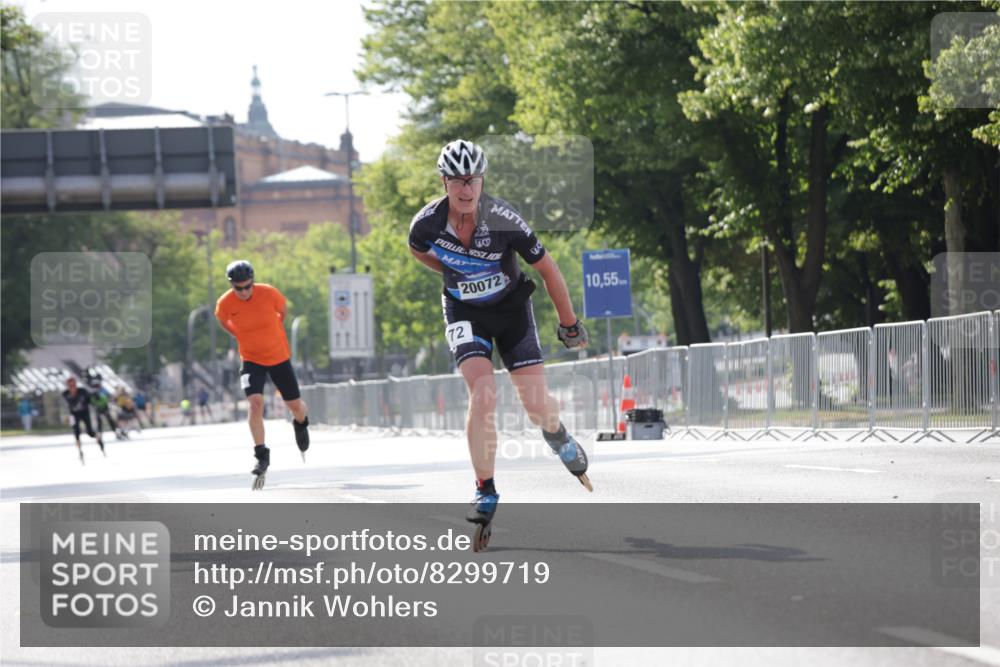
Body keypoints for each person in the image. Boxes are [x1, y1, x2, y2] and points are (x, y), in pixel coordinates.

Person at [408, 139, 591, 545]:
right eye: (457, 181)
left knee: (537, 406)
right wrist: (452, 272)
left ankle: (556, 433)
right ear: (444, 182)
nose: (466, 189)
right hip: (464, 311)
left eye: (473, 180)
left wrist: (569, 323)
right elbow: (418, 252)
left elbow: (547, 268)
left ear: (482, 180)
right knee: (483, 392)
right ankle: (485, 489)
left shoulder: (504, 219)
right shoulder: (426, 225)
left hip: (511, 311)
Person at [215, 259, 310, 488]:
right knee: (255, 404)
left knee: (295, 406)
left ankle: (301, 423)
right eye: (238, 288)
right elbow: (224, 322)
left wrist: (272, 330)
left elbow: (282, 312)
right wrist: (241, 335)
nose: (244, 292)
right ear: (231, 285)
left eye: (247, 286)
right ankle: (261, 454)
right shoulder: (224, 304)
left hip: (278, 357)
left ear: (253, 281)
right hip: (251, 360)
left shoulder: (269, 293)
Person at [61, 377, 104, 463]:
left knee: (90, 432)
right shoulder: (65, 394)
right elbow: (67, 405)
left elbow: (90, 399)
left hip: (84, 413)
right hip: (74, 414)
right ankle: (80, 451)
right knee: (76, 432)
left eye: (73, 385)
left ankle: (98, 439)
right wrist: (66, 416)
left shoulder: (82, 391)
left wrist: (95, 399)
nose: (72, 387)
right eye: (70, 386)